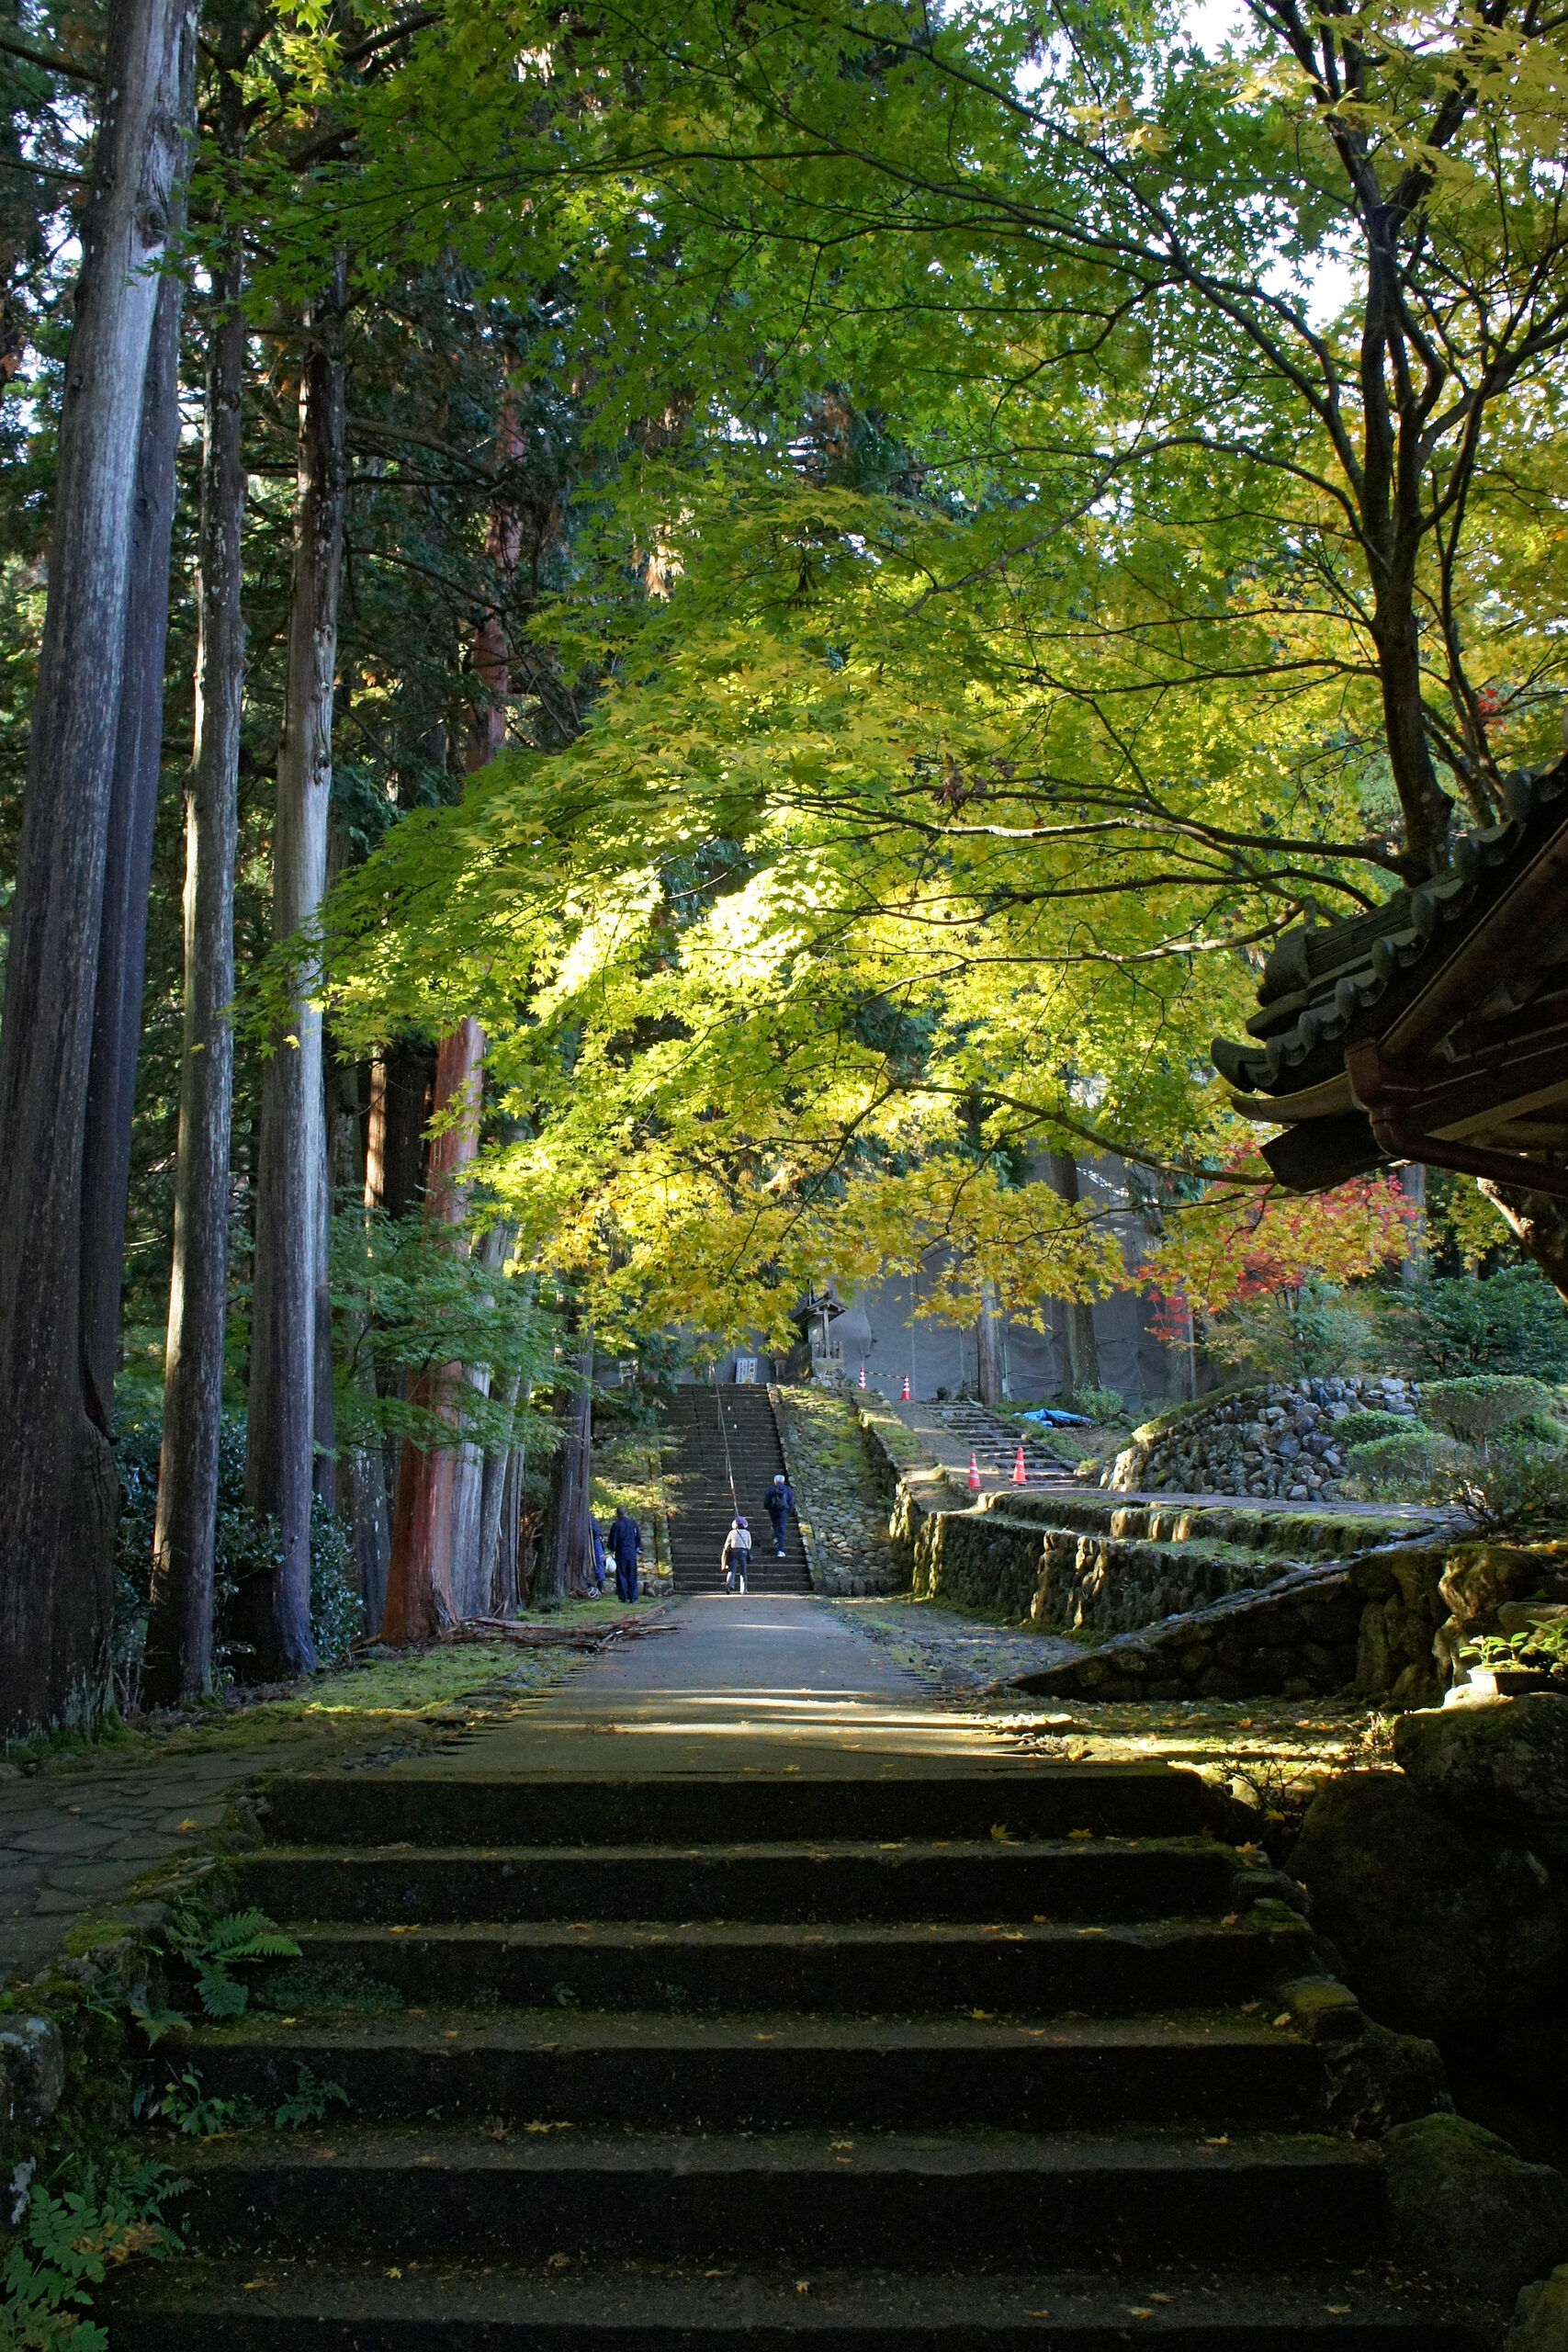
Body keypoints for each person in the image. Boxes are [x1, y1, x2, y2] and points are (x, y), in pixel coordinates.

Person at [605, 1503, 642, 1602]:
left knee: (622, 1574)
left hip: (621, 1552)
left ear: (617, 1514)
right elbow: (638, 1537)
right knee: (632, 1574)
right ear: (626, 1513)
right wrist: (637, 1547)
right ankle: (633, 1596)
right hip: (631, 1552)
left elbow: (613, 1541)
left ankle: (623, 1596)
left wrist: (612, 1549)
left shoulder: (616, 1525)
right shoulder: (633, 1524)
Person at [764, 1472, 795, 1558]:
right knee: (781, 1528)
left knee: (775, 1524)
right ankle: (780, 1550)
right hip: (783, 1511)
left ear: (775, 1481)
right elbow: (791, 1502)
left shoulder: (771, 1490)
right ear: (784, 1481)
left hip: (773, 1511)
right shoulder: (788, 1490)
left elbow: (767, 1502)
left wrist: (769, 1508)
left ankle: (776, 1537)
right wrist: (788, 1510)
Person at [720, 1515, 751, 1594]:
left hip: (733, 1551)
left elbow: (727, 1544)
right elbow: (749, 1545)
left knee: (732, 1570)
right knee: (743, 1572)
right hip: (743, 1552)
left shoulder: (732, 1532)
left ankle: (729, 1585)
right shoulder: (747, 1533)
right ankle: (743, 1590)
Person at [588, 1514, 607, 1594]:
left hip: (596, 1540)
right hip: (597, 1539)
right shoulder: (590, 1518)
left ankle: (599, 1588)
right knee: (599, 1562)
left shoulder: (589, 1518)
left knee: (599, 1562)